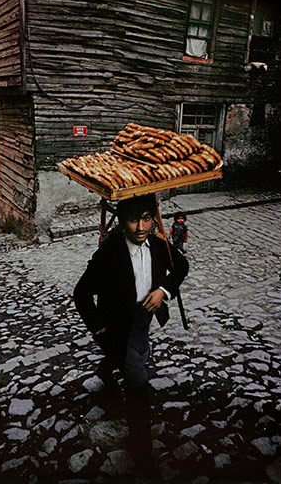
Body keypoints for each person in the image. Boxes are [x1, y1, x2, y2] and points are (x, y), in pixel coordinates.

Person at [74, 194, 189, 471]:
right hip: (116, 323)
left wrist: (163, 291)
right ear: (123, 222)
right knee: (137, 377)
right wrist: (100, 329)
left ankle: (105, 372)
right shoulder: (109, 252)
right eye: (133, 220)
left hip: (144, 316)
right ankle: (141, 446)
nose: (140, 227)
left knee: (126, 355)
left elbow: (181, 266)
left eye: (147, 219)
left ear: (153, 218)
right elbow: (81, 294)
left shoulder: (160, 246)